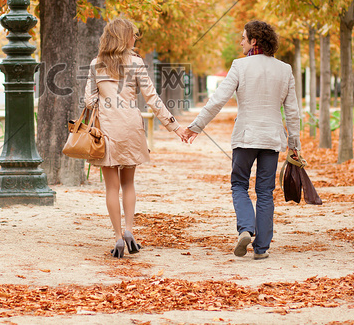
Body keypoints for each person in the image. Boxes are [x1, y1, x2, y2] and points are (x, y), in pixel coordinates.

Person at [182, 20, 301, 261]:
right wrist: (294, 144)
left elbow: (217, 100)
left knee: (239, 184)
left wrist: (197, 126)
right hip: (271, 139)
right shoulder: (284, 69)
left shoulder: (240, 66)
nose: (240, 42)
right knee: (265, 191)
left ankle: (246, 229)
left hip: (245, 137)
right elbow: (292, 111)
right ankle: (261, 248)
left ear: (254, 41)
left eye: (243, 38)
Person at [84, 18, 187, 259]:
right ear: (125, 38)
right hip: (130, 126)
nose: (135, 39)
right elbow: (152, 99)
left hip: (107, 128)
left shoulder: (96, 64)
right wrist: (175, 126)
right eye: (133, 35)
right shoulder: (137, 63)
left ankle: (118, 237)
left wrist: (99, 98)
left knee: (111, 187)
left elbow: (88, 100)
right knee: (128, 183)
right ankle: (130, 231)